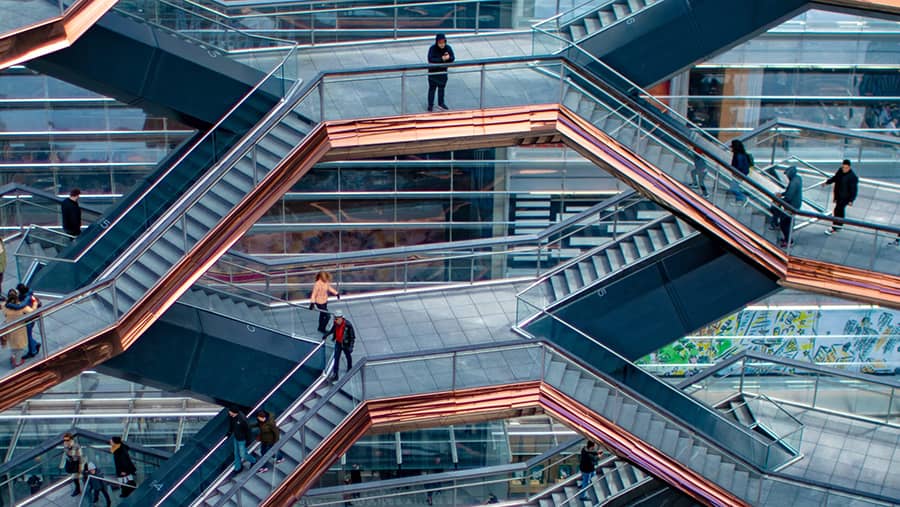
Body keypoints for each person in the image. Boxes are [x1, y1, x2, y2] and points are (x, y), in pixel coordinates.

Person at [823, 159, 859, 235]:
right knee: (839, 211)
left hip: (845, 198)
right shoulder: (840, 171)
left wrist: (851, 200)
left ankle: (835, 226)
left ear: (849, 167)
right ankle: (838, 225)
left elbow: (854, 190)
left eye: (846, 168)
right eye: (843, 167)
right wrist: (827, 182)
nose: (844, 169)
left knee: (838, 210)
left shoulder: (852, 177)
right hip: (839, 195)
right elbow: (835, 178)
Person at [3, 289, 35, 367]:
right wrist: (35, 303)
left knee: (12, 343)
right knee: (19, 346)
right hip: (19, 329)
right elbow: (32, 311)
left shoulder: (5, 305)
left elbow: (4, 313)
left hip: (9, 327)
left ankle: (13, 356)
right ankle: (17, 362)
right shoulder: (22, 307)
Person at [322, 310, 356, 381]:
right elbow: (332, 330)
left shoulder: (348, 325)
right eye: (335, 318)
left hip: (345, 343)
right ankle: (335, 374)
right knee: (336, 358)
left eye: (337, 318)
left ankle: (350, 368)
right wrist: (327, 334)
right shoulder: (336, 323)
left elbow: (352, 337)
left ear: (341, 318)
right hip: (338, 343)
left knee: (348, 356)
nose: (335, 320)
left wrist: (351, 346)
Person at [9, 284, 41, 359]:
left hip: (30, 317)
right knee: (27, 335)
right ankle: (35, 345)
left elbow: (20, 305)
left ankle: (33, 351)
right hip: (27, 316)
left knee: (27, 335)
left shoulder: (27, 297)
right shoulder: (25, 295)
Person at [426, 33, 455, 112]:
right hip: (433, 72)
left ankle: (441, 103)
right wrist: (442, 59)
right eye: (440, 43)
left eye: (443, 43)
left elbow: (452, 58)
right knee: (432, 88)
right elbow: (431, 59)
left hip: (442, 72)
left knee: (441, 88)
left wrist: (448, 58)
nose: (442, 45)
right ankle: (430, 104)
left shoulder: (448, 48)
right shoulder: (432, 48)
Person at [776, 166, 803, 248]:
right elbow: (789, 191)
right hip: (796, 204)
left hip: (791, 206)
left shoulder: (793, 183)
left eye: (787, 175)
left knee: (783, 223)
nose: (786, 176)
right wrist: (782, 194)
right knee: (787, 222)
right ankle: (787, 239)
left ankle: (788, 241)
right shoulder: (798, 178)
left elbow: (789, 196)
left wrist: (780, 202)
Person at [226, 407, 256, 473]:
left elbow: (248, 430)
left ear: (234, 412)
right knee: (236, 453)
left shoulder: (242, 419)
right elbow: (232, 425)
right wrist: (229, 433)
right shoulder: (232, 417)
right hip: (236, 437)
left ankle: (254, 461)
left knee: (242, 454)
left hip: (242, 440)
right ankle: (238, 468)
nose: (229, 412)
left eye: (230, 411)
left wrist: (248, 440)